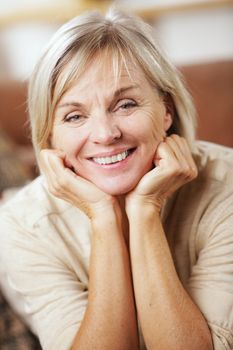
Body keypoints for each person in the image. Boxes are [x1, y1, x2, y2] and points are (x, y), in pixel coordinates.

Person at [0, 8, 233, 350]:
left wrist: (145, 210)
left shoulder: (226, 186)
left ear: (166, 110)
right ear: (50, 135)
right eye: (75, 115)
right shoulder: (21, 225)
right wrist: (103, 218)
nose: (106, 134)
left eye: (125, 105)